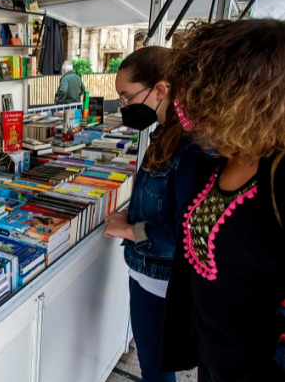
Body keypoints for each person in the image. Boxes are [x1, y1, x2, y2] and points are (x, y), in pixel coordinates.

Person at [160, 19, 285, 381]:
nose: (185, 108)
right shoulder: (223, 158)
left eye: (199, 93)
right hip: (213, 359)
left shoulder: (277, 174)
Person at [103, 47, 209, 382]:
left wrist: (130, 230)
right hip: (150, 275)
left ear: (160, 90)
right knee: (155, 365)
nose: (124, 107)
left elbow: (188, 234)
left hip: (161, 281)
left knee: (155, 370)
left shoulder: (189, 147)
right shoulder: (166, 132)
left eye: (127, 96)